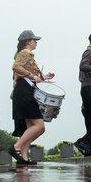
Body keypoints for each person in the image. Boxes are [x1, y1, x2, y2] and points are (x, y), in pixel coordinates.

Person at [10, 30, 54, 165]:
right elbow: (16, 67)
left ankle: (23, 156)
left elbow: (29, 72)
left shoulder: (28, 55)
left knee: (31, 126)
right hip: (24, 91)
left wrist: (44, 77)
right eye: (34, 40)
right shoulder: (24, 53)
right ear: (28, 41)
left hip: (25, 90)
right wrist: (32, 76)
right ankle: (16, 147)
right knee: (40, 126)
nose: (36, 42)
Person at [75, 30, 91, 155]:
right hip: (88, 87)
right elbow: (83, 65)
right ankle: (83, 142)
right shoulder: (89, 51)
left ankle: (89, 148)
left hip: (89, 87)